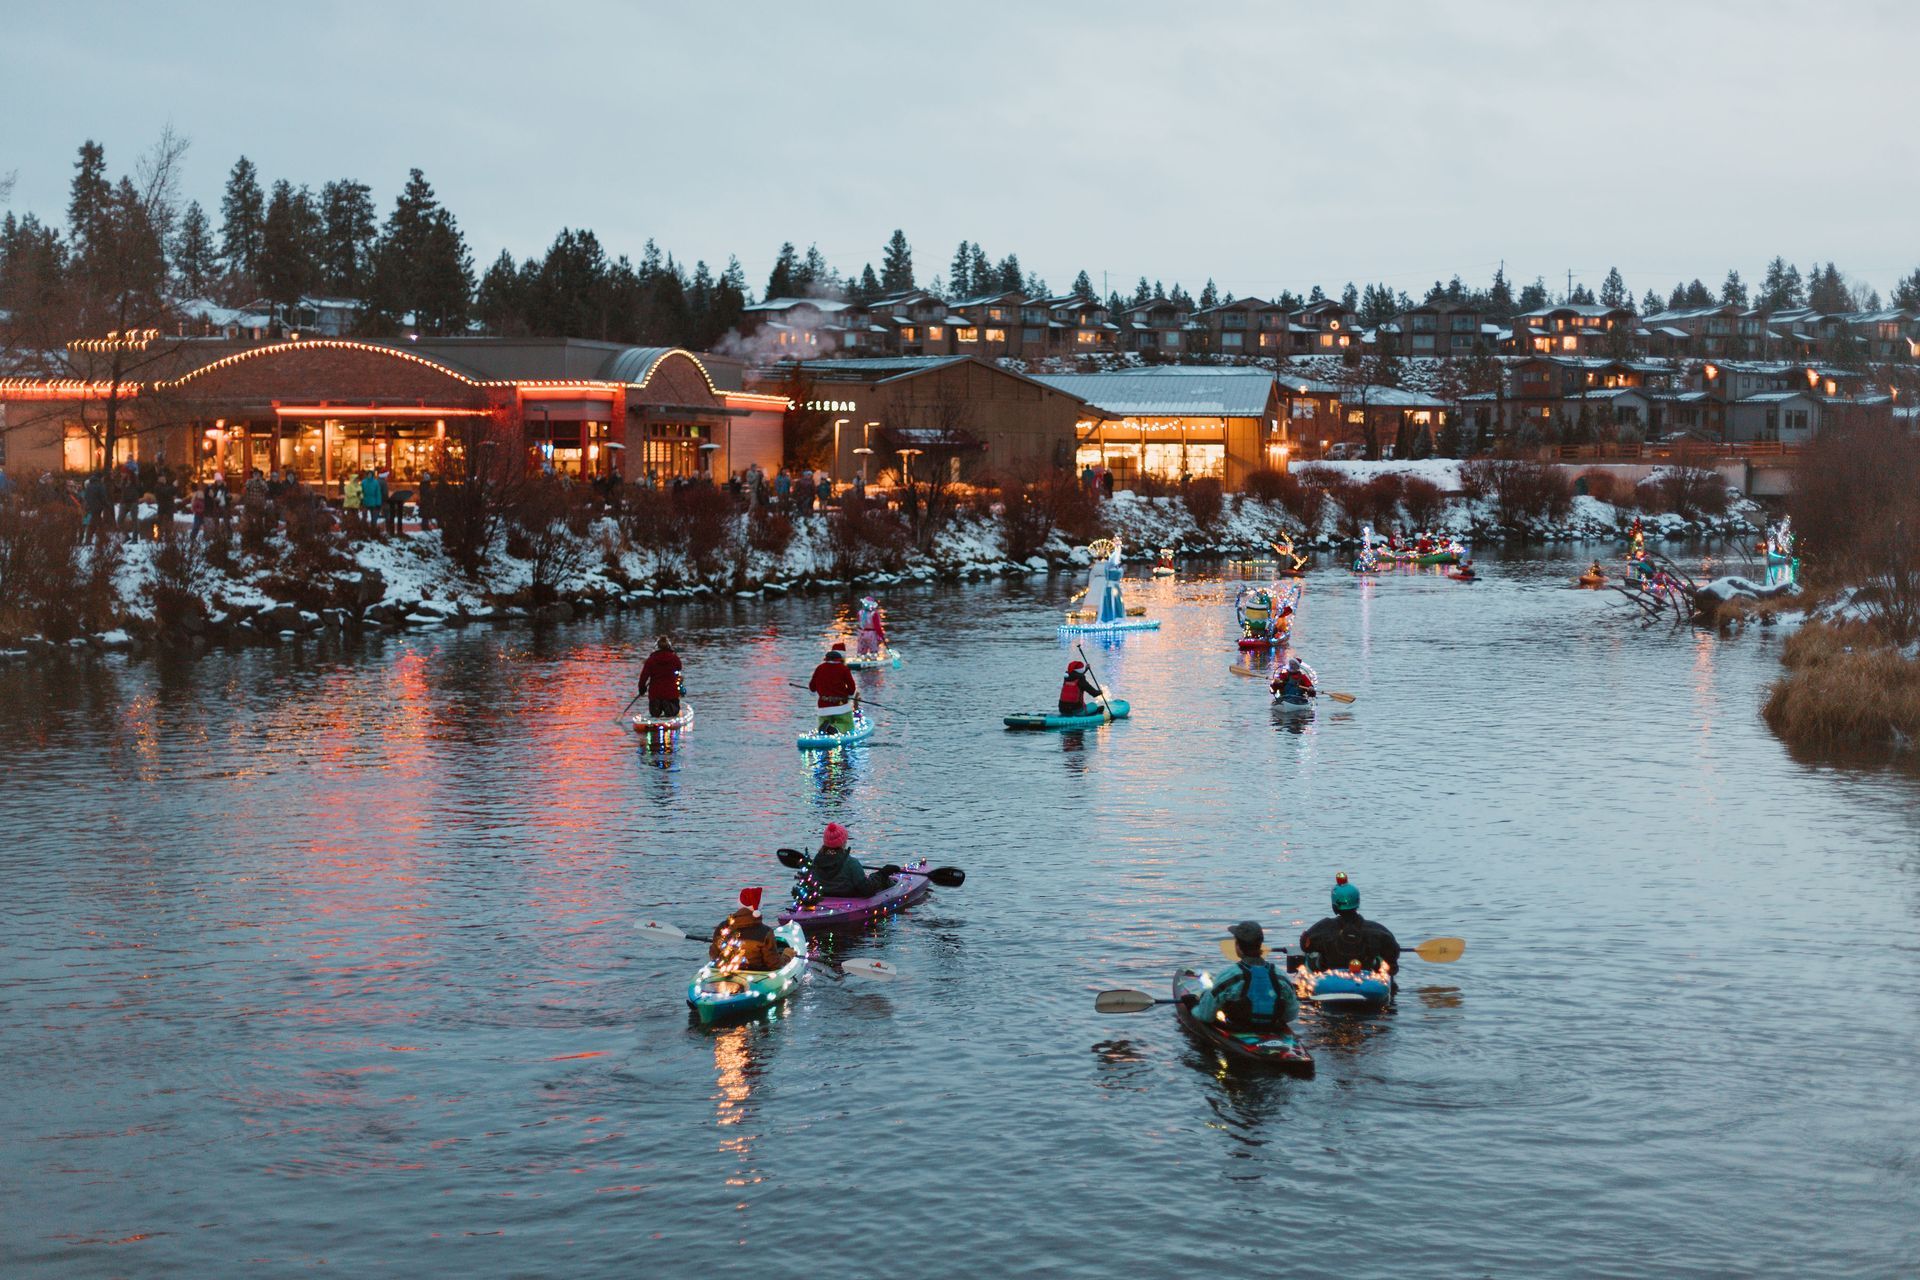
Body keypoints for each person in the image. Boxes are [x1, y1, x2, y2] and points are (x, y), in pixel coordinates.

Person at [1183, 921, 1300, 1032]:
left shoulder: (1230, 976)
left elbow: (1205, 1016)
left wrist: (1192, 1005)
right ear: (1260, 945)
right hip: (1272, 1028)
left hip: (1237, 1029)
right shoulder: (1281, 976)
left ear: (1238, 946)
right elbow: (1291, 1015)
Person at [1299, 873, 1402, 977]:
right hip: (1366, 975)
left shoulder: (1322, 928)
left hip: (1330, 976)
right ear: (1358, 902)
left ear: (1335, 905)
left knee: (1310, 957)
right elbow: (1394, 952)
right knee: (1384, 961)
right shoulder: (1379, 931)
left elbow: (1305, 946)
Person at [708, 888, 797, 973]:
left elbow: (714, 954)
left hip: (724, 971)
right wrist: (787, 955)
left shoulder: (722, 927)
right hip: (757, 976)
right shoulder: (765, 932)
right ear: (758, 907)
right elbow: (774, 965)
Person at [800, 823, 896, 900]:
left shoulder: (815, 862)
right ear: (843, 842)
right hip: (849, 899)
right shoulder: (851, 863)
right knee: (885, 883)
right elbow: (867, 890)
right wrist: (882, 874)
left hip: (823, 899)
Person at [807, 643, 859, 733]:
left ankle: (824, 727)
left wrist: (814, 691)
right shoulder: (843, 669)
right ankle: (836, 729)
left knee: (823, 721)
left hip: (823, 705)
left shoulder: (819, 668)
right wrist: (849, 695)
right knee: (847, 724)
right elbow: (851, 687)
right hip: (841, 705)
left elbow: (812, 687)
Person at [637, 636, 684, 717]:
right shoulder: (674, 658)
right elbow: (679, 667)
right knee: (674, 711)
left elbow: (643, 678)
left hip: (655, 695)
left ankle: (658, 708)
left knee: (654, 713)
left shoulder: (650, 660)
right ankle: (668, 706)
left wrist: (642, 689)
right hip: (671, 694)